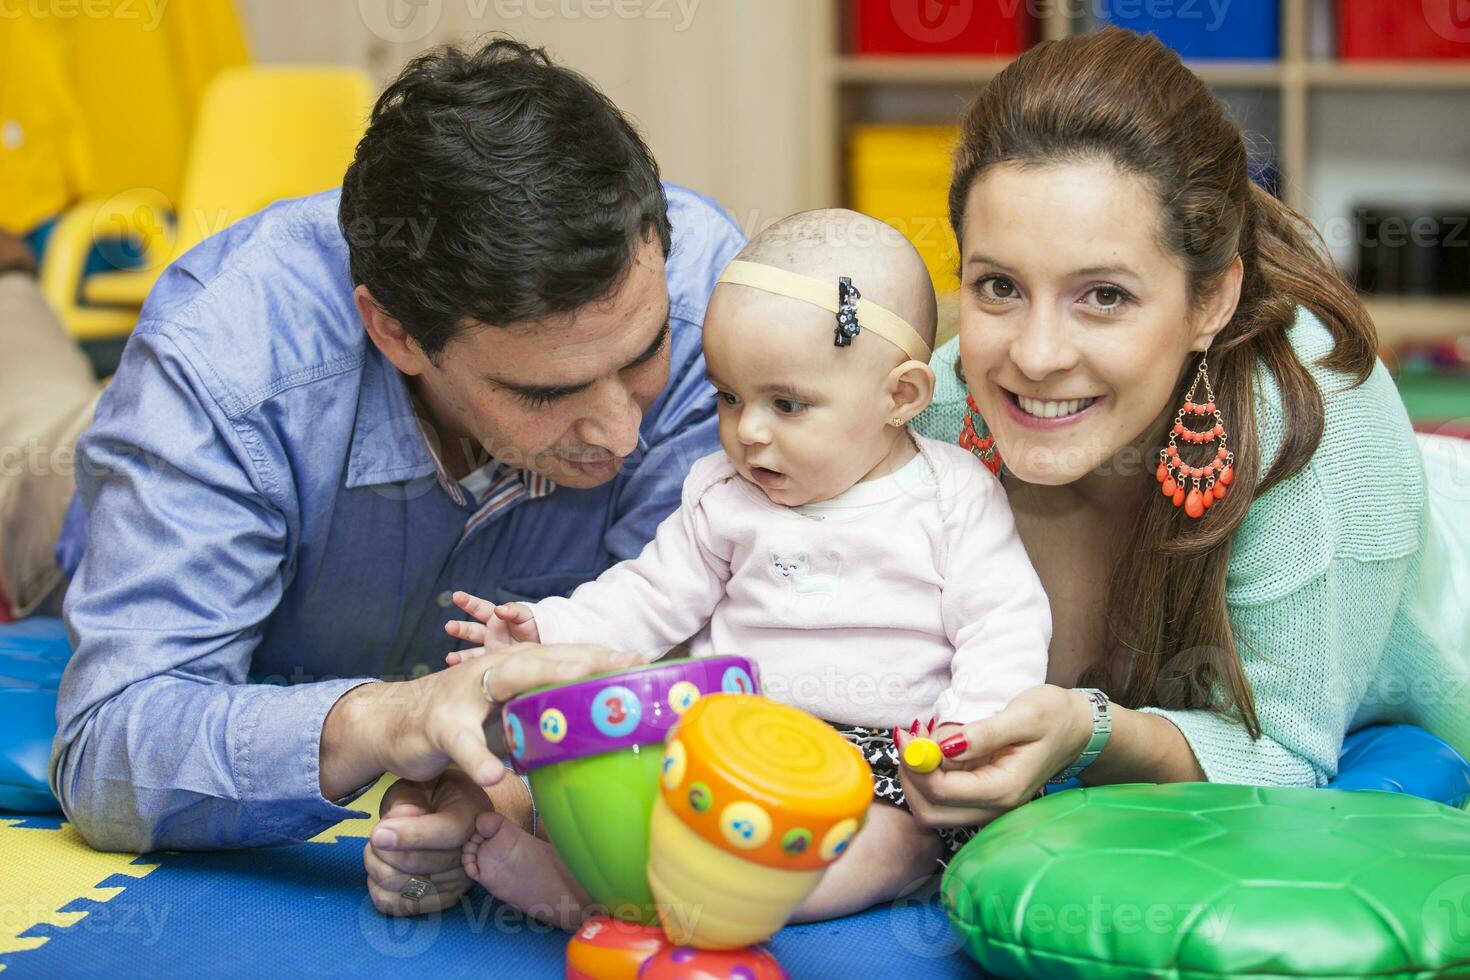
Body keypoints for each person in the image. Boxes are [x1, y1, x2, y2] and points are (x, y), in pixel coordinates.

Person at [45, 38, 745, 920]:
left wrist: (487, 777)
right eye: (546, 392)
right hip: (71, 505)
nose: (622, 430)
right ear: (394, 330)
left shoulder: (702, 294)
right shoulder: (222, 369)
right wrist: (390, 723)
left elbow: (680, 659)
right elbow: (109, 752)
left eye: (643, 358)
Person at [889, 28, 1470, 830]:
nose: (1036, 354)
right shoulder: (937, 410)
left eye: (1105, 296)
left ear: (1210, 302)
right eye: (998, 286)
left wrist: (1088, 730)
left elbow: (1286, 758)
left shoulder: (1317, 428)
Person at [446, 210, 1052, 924]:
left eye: (786, 404)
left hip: (886, 759)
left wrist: (968, 731)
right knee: (628, 782)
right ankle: (598, 885)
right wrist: (547, 630)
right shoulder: (724, 495)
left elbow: (1003, 621)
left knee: (895, 846)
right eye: (729, 398)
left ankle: (695, 907)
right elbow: (650, 596)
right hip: (729, 743)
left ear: (902, 396)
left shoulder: (952, 497)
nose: (748, 430)